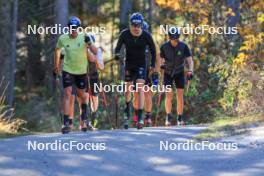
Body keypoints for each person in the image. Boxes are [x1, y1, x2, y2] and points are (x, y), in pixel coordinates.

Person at [114, 12, 157, 129]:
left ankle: (141, 117)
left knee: (140, 88)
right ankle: (127, 110)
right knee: (128, 89)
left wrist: (153, 65)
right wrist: (117, 54)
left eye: (139, 25)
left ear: (142, 25)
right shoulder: (125, 34)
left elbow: (154, 51)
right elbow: (117, 48)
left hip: (141, 65)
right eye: (134, 25)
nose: (136, 28)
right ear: (130, 24)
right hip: (129, 64)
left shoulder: (146, 36)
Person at [54, 16, 95, 133]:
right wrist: (56, 66)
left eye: (76, 28)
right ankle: (66, 123)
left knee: (82, 96)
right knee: (67, 94)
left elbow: (94, 53)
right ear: (68, 28)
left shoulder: (84, 37)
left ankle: (84, 118)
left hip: (81, 71)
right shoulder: (63, 38)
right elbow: (57, 50)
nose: (73, 30)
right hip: (67, 70)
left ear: (79, 28)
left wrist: (90, 44)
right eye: (71, 28)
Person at [159, 27, 194, 126]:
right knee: (169, 94)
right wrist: (162, 64)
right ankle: (168, 117)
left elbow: (190, 61)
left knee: (180, 95)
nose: (175, 41)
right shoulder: (164, 47)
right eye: (173, 39)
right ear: (170, 38)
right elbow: (160, 58)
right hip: (168, 73)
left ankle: (180, 118)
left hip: (179, 72)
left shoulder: (184, 46)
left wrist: (190, 70)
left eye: (177, 39)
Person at [132, 21, 159, 127]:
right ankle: (136, 113)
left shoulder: (152, 41)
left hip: (149, 71)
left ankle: (148, 116)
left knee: (147, 94)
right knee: (136, 95)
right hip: (136, 71)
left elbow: (157, 58)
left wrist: (156, 73)